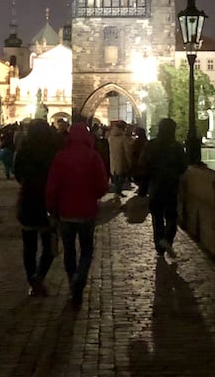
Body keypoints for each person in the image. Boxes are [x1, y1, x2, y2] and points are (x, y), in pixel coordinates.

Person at [46, 122, 109, 309]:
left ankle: (73, 280)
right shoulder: (93, 156)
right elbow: (102, 185)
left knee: (69, 250)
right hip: (87, 212)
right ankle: (79, 281)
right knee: (87, 251)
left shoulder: (61, 157)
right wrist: (94, 196)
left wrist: (52, 209)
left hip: (66, 212)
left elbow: (52, 187)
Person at [14, 119, 59, 296]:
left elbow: (17, 173)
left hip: (28, 199)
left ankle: (32, 279)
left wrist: (28, 184)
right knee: (49, 245)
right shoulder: (54, 151)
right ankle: (39, 277)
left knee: (29, 245)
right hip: (48, 200)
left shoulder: (24, 150)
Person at [140, 118, 188, 258]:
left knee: (157, 217)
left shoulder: (151, 145)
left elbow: (143, 162)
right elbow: (184, 165)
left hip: (155, 186)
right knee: (171, 216)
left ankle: (159, 245)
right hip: (171, 186)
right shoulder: (177, 147)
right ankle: (167, 239)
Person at [108, 120, 131, 196]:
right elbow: (127, 150)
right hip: (121, 161)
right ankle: (118, 192)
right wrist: (129, 161)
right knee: (122, 176)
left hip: (113, 161)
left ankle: (117, 192)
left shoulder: (110, 137)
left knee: (115, 176)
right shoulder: (123, 138)